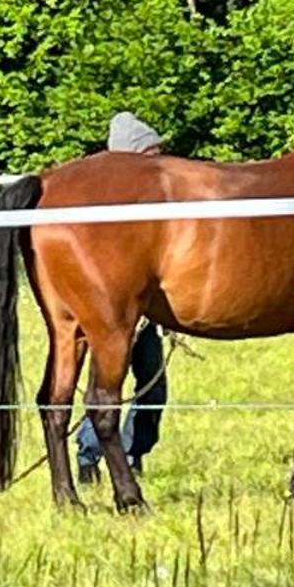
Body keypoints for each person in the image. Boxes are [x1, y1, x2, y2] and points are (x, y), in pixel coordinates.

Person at [76, 111, 170, 484]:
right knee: (107, 382)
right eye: (152, 155)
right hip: (117, 311)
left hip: (146, 311)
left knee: (150, 382)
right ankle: (90, 454)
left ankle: (133, 451)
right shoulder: (109, 205)